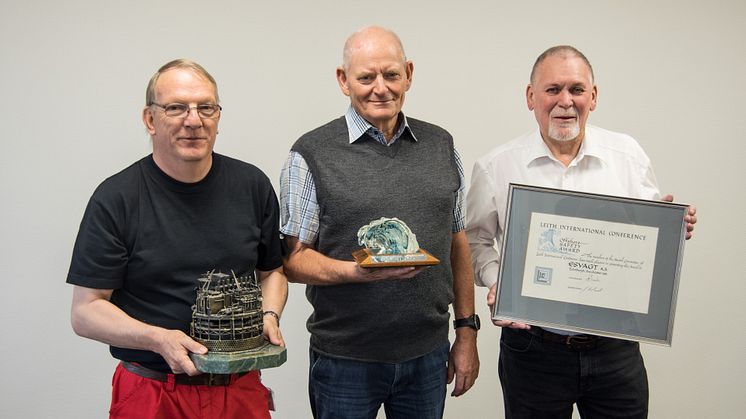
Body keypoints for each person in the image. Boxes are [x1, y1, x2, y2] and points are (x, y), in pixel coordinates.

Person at [466, 45, 698, 419]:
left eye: (576, 89)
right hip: (533, 350)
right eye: (553, 89)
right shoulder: (496, 166)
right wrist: (500, 283)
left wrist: (671, 228)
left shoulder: (627, 155)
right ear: (531, 97)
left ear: (594, 96)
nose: (565, 101)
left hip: (615, 349)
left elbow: (646, 237)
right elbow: (475, 241)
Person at [67, 59, 288, 419]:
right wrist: (158, 338)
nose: (194, 120)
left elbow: (272, 272)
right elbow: (86, 312)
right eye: (176, 108)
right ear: (150, 120)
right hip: (153, 393)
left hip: (239, 388)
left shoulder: (253, 186)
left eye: (206, 107)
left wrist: (269, 314)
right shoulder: (116, 198)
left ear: (218, 116)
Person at [280, 26, 479, 419]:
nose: (380, 88)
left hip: (428, 353)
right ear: (343, 80)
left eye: (391, 75)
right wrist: (356, 272)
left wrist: (467, 332)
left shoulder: (441, 145)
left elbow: (457, 242)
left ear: (408, 72)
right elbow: (293, 260)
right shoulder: (310, 153)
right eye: (366, 77)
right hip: (346, 361)